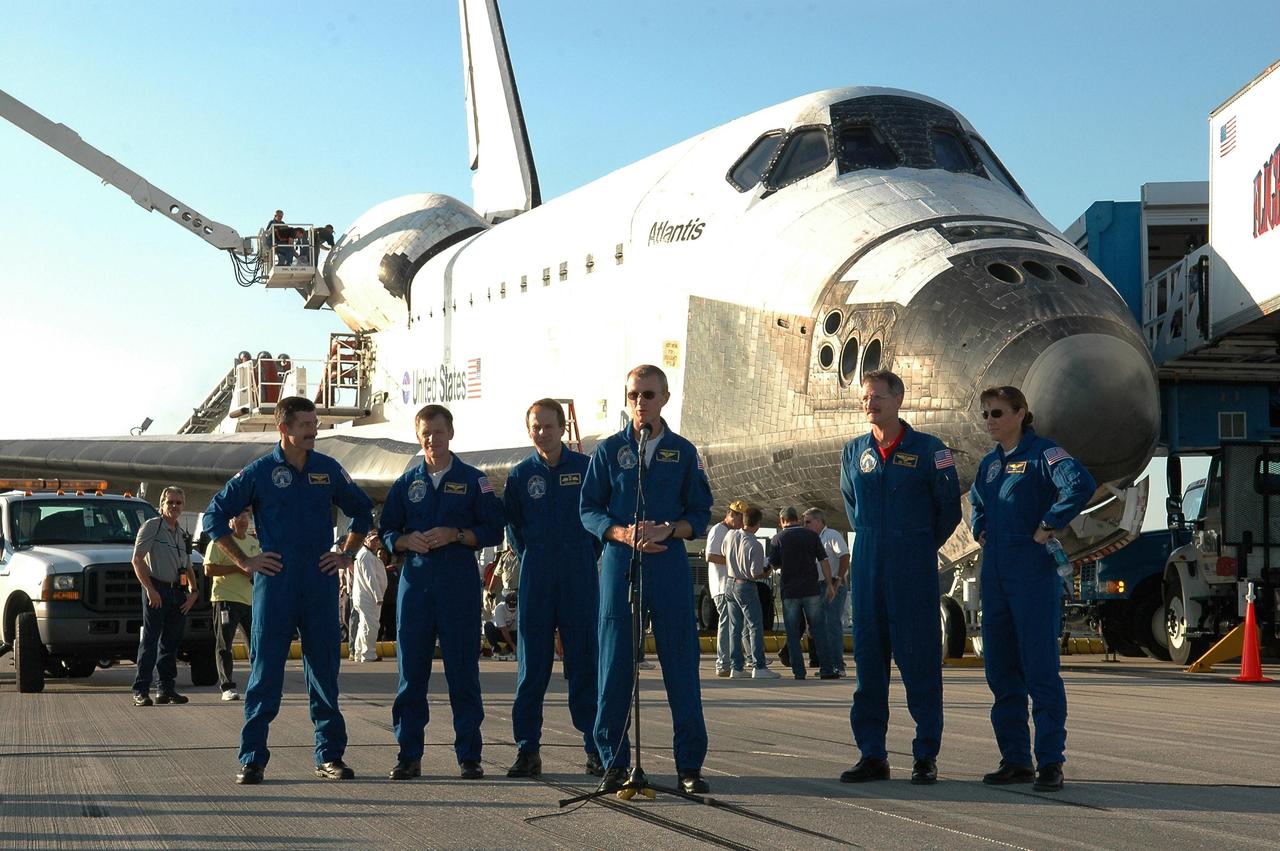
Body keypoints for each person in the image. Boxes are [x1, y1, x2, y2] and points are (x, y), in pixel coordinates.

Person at [202, 396, 375, 785]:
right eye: (305, 425)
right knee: (265, 674)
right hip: (275, 583)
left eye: (314, 423)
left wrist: (345, 554)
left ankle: (329, 756)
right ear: (284, 429)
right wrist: (246, 561)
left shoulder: (327, 469)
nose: (313, 431)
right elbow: (215, 515)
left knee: (325, 672)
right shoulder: (261, 472)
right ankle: (252, 759)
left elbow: (363, 511)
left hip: (318, 580)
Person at [580, 364, 714, 794]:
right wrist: (620, 532)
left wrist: (670, 530)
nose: (641, 403)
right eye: (634, 395)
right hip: (621, 563)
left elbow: (699, 513)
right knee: (614, 663)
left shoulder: (684, 451)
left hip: (668, 563)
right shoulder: (609, 451)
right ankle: (613, 762)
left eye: (649, 395)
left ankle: (688, 765)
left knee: (681, 662)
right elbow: (589, 509)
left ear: (665, 398)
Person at [838, 369, 961, 786]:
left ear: (898, 399)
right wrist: (877, 539)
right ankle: (872, 754)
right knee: (868, 669)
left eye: (877, 397)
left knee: (920, 665)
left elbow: (949, 510)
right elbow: (852, 505)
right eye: (865, 397)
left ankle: (925, 755)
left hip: (913, 566)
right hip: (869, 564)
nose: (869, 403)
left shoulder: (931, 450)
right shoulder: (853, 451)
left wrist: (916, 543)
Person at [970, 386, 1096, 793]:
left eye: (998, 413)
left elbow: (1079, 484)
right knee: (1001, 670)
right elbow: (976, 502)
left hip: (1032, 573)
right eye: (987, 413)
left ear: (1022, 413)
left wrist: (1049, 524)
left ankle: (1050, 762)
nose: (990, 420)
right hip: (997, 574)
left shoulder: (1045, 454)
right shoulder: (989, 465)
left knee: (1040, 669)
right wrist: (979, 527)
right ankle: (1015, 759)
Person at [380, 404, 505, 782]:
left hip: (458, 589)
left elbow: (493, 529)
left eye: (438, 431)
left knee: (463, 675)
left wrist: (458, 535)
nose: (432, 439)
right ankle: (409, 755)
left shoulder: (473, 480)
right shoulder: (406, 484)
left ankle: (469, 755)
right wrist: (402, 540)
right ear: (418, 437)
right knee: (411, 677)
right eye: (425, 433)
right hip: (415, 588)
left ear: (451, 433)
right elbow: (386, 530)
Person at [503, 398, 602, 779]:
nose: (542, 432)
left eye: (548, 426)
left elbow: (597, 525)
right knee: (531, 670)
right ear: (529, 430)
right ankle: (527, 750)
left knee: (584, 666)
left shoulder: (587, 468)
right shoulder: (519, 475)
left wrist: (578, 554)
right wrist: (539, 558)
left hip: (578, 575)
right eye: (535, 427)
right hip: (537, 577)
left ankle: (595, 746)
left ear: (563, 428)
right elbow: (514, 531)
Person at [130, 486, 200, 706]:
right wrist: (150, 589)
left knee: (171, 644)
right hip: (157, 589)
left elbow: (187, 565)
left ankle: (166, 689)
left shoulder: (181, 533)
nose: (174, 506)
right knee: (150, 641)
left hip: (177, 593)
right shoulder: (152, 527)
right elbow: (137, 560)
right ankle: (141, 690)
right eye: (170, 502)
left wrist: (194, 591)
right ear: (161, 505)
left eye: (178, 503)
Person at [769, 506, 836, 680]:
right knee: (818, 629)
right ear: (797, 518)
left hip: (790, 591)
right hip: (811, 589)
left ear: (782, 521)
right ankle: (827, 669)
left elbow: (774, 564)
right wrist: (830, 584)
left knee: (792, 632)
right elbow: (824, 560)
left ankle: (799, 671)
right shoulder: (812, 535)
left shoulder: (778, 538)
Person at [204, 507, 258, 701]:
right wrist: (238, 568)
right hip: (225, 600)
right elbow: (209, 569)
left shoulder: (253, 543)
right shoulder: (220, 542)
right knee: (224, 644)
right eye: (238, 515)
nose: (243, 520)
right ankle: (227, 686)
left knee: (256, 644)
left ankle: (258, 683)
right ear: (230, 520)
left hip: (250, 601)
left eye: (246, 516)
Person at [723, 506, 779, 680]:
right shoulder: (754, 544)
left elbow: (724, 553)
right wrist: (768, 569)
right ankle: (759, 666)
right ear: (758, 524)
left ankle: (736, 667)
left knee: (735, 627)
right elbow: (756, 573)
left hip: (730, 582)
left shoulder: (730, 535)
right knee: (755, 625)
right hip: (745, 586)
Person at [805, 507, 850, 677]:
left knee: (832, 625)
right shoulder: (813, 538)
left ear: (818, 521)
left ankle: (838, 666)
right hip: (818, 586)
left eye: (808, 522)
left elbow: (845, 556)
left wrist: (837, 580)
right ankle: (828, 665)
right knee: (821, 627)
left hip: (832, 585)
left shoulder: (832, 535)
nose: (805, 525)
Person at [705, 500, 747, 677]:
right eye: (740, 519)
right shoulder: (718, 530)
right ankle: (723, 663)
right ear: (732, 515)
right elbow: (711, 556)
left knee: (737, 625)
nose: (742, 524)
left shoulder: (732, 532)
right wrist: (734, 563)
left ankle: (741, 660)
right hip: (722, 586)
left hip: (731, 585)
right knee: (726, 624)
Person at [348, 530, 389, 663]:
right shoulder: (365, 555)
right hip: (368, 597)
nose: (376, 542)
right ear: (366, 540)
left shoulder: (368, 555)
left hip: (367, 596)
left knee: (364, 625)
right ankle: (368, 654)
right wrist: (378, 596)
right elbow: (370, 578)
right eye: (373, 540)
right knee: (370, 625)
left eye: (377, 540)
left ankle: (359, 652)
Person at [485, 594, 518, 659]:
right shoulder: (500, 608)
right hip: (500, 632)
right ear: (506, 603)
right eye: (510, 606)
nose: (512, 610)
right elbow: (503, 629)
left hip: (512, 633)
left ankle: (508, 649)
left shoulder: (520, 607)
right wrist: (513, 646)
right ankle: (496, 649)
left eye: (514, 606)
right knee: (488, 626)